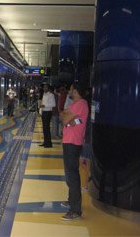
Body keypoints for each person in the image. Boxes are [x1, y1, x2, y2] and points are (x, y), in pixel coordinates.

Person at [59, 83, 89, 221]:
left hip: (73, 142)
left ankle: (76, 210)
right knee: (69, 174)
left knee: (72, 175)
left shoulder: (81, 104)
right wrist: (67, 117)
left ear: (75, 91)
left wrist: (67, 118)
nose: (69, 91)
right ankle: (72, 201)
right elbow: (62, 115)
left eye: (71, 89)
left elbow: (65, 118)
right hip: (68, 141)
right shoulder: (74, 104)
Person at [80, 87, 92, 191]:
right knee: (84, 161)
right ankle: (88, 182)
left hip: (88, 138)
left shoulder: (89, 116)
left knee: (86, 161)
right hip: (87, 137)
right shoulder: (88, 114)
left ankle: (86, 184)